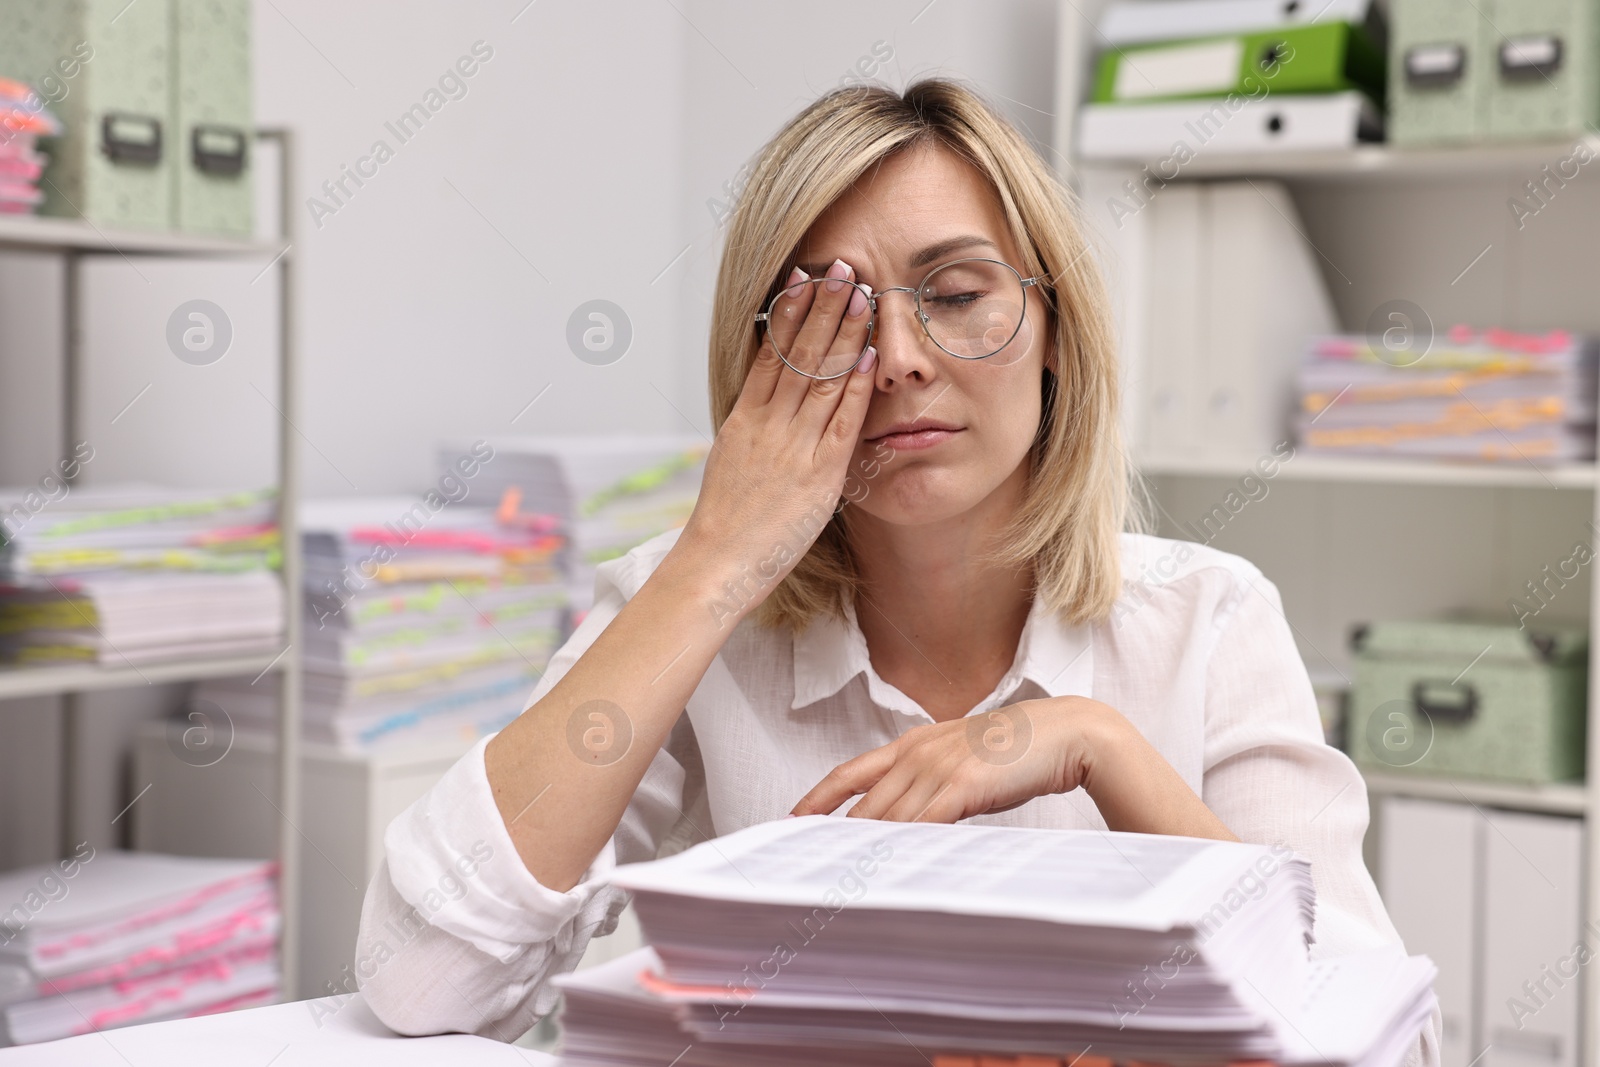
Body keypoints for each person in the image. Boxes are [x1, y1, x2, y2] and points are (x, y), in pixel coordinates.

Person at [353, 77, 1440, 1067]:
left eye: (958, 294)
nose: (906, 361)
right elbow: (420, 977)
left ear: (1055, 326)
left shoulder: (1210, 617)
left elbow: (1382, 1041)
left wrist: (1097, 747)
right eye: (838, 316)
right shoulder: (691, 603)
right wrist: (713, 561)